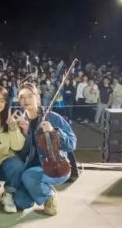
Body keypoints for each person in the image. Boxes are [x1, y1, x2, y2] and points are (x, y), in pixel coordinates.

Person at [13, 82, 77, 216]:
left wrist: (55, 132)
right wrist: (24, 133)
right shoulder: (20, 122)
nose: (26, 100)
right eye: (22, 97)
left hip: (56, 166)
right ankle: (41, 188)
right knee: (20, 201)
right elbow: (22, 153)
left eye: (30, 96)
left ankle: (49, 195)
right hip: (33, 169)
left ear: (37, 98)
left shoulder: (53, 117)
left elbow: (72, 144)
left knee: (28, 176)